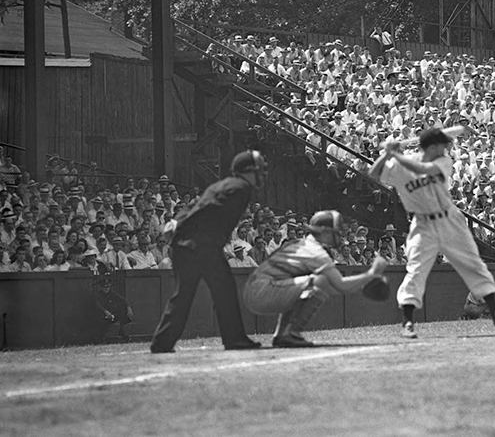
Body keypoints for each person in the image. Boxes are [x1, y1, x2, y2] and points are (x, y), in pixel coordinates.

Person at [370, 127, 495, 339]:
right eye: (442, 145)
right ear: (433, 146)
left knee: (472, 262)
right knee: (416, 269)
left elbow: (423, 169)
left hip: (449, 218)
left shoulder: (442, 162)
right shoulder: (401, 162)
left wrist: (394, 155)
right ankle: (408, 323)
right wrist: (386, 156)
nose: (446, 148)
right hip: (421, 223)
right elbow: (374, 173)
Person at [149, 150, 268, 353]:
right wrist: (183, 224)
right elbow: (208, 209)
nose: (262, 175)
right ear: (249, 171)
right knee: (225, 291)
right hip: (202, 245)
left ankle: (162, 342)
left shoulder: (221, 185)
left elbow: (196, 205)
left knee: (184, 295)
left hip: (185, 245)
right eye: (259, 171)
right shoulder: (241, 188)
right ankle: (234, 339)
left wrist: (177, 223)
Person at [243, 210, 388, 347]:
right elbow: (341, 285)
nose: (339, 233)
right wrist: (371, 273)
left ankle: (282, 335)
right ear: (325, 231)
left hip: (257, 288)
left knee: (311, 285)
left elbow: (335, 287)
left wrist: (359, 283)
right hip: (262, 290)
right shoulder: (316, 252)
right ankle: (292, 332)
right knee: (320, 282)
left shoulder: (303, 243)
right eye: (335, 229)